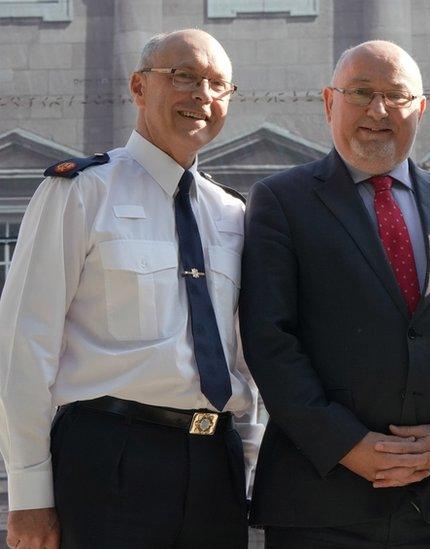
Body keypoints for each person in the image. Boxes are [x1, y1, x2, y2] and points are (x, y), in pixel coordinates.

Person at [239, 40, 430, 549]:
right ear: (330, 102)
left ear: (421, 108)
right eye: (361, 92)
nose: (378, 110)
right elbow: (269, 339)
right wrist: (346, 444)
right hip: (320, 500)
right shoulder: (281, 202)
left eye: (396, 95)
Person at [0, 29, 262, 549]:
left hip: (215, 466)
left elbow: (245, 355)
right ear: (139, 88)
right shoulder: (79, 192)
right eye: (184, 76)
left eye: (217, 84)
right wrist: (29, 495)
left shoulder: (233, 214)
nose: (201, 96)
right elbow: (22, 346)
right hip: (108, 458)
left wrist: (247, 459)